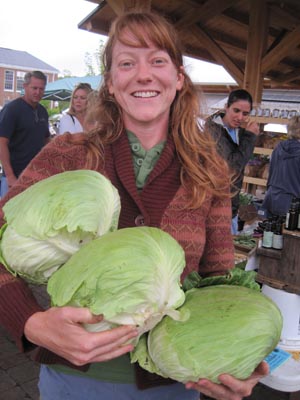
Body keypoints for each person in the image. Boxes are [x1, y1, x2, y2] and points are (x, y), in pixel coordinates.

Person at [0, 12, 268, 400]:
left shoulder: (208, 169)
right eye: (127, 63)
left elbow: (218, 279)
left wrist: (241, 352)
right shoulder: (67, 155)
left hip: (172, 385)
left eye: (157, 60)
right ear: (110, 83)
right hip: (72, 382)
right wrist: (29, 321)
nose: (143, 74)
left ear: (178, 78)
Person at [205, 89, 260, 234]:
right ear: (226, 107)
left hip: (231, 206)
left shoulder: (238, 132)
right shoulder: (212, 131)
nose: (240, 117)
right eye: (236, 110)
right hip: (213, 207)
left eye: (245, 113)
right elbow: (231, 167)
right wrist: (249, 137)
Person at [0, 70, 50, 197]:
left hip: (36, 177)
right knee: (8, 215)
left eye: (41, 89)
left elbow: (46, 141)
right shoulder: (12, 109)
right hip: (14, 178)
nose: (38, 92)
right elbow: (1, 142)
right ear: (25, 86)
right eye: (34, 88)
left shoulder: (43, 111)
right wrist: (10, 176)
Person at [262, 115, 300, 216]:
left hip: (271, 198)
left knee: (269, 230)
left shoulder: (279, 147)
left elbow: (272, 171)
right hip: (292, 203)